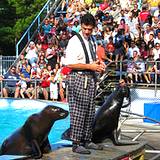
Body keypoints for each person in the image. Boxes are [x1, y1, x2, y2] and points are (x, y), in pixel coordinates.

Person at [63, 13, 105, 154]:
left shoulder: (93, 40)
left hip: (91, 78)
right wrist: (90, 66)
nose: (87, 31)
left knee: (90, 111)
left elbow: (91, 59)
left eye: (90, 29)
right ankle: (76, 143)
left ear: (93, 28)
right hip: (78, 78)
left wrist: (99, 64)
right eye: (85, 28)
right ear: (81, 26)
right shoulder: (74, 41)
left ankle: (87, 140)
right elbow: (69, 63)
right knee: (78, 111)